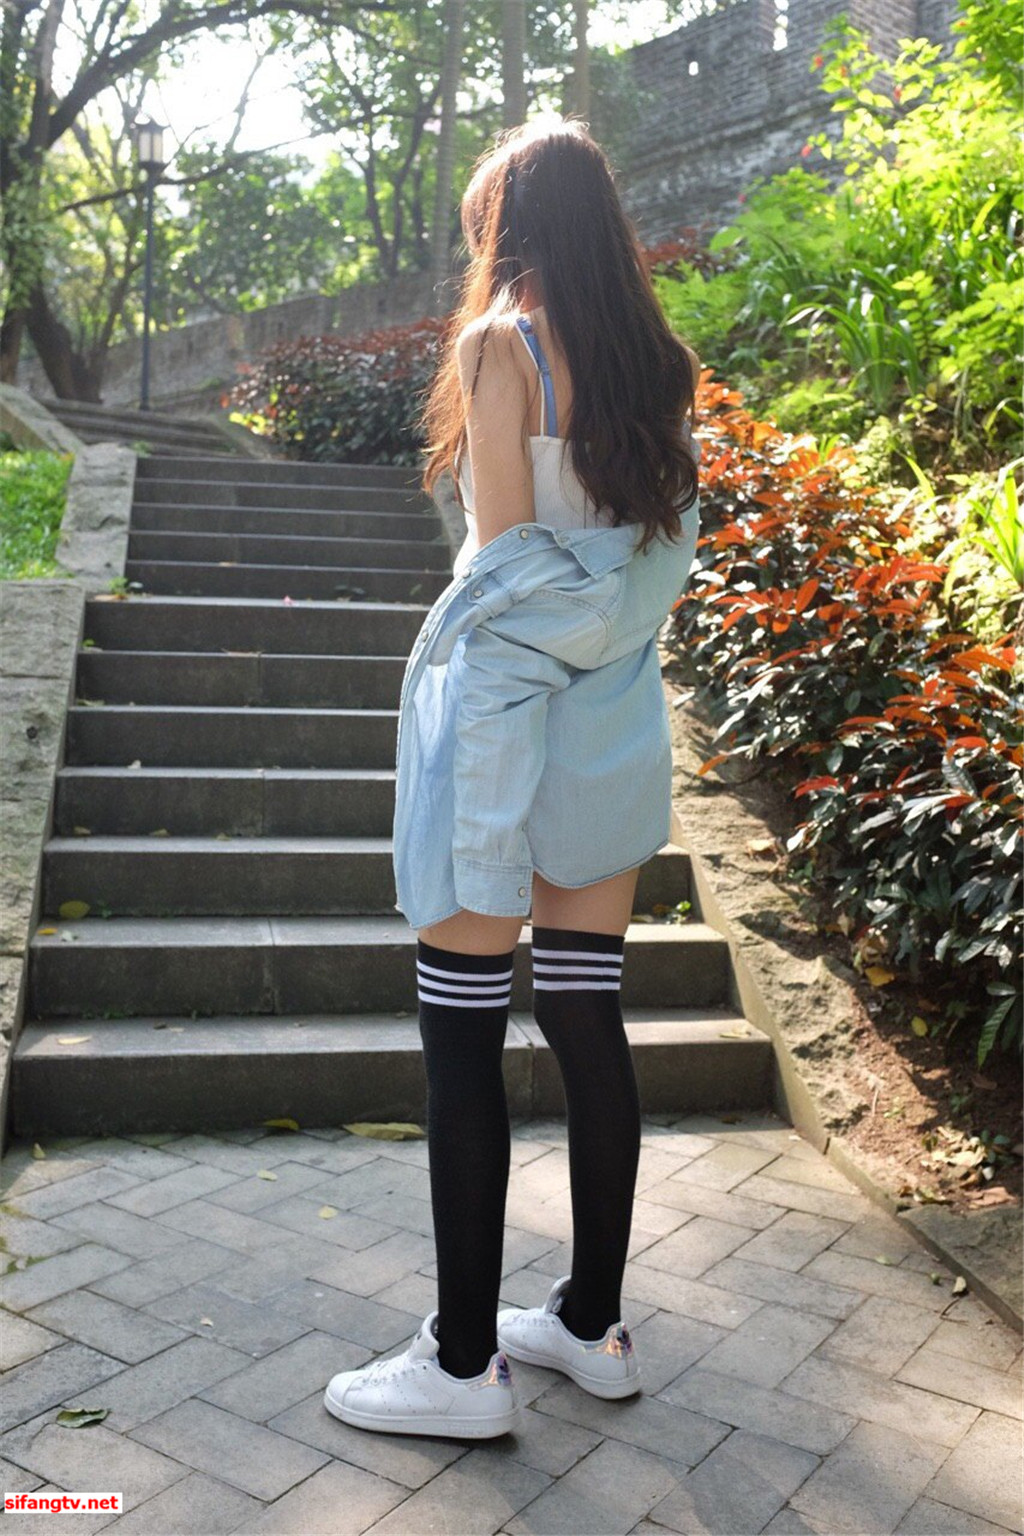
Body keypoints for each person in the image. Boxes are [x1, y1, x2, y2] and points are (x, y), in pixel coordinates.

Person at [324, 114, 702, 1440]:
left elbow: (502, 575)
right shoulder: (658, 371)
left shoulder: (504, 347)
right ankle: (593, 1325)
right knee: (589, 1018)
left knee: (462, 1034)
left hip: (501, 728)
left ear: (516, 231)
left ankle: (462, 1364)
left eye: (483, 226)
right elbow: (627, 566)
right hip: (612, 720)